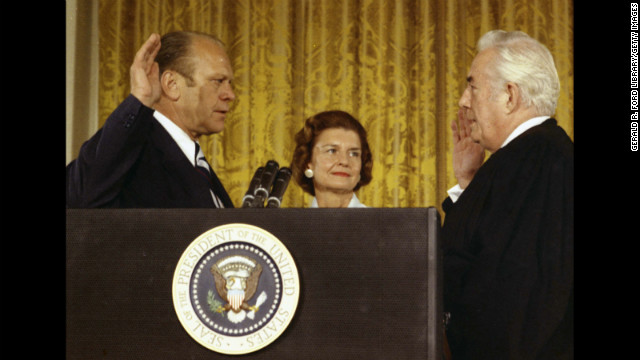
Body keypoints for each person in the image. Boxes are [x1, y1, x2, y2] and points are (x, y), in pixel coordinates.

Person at [441, 30, 573, 359]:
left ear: (510, 96)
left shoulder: (535, 159)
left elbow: (518, 300)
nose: (463, 100)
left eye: (472, 86)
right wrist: (470, 181)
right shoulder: (528, 158)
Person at [66, 31, 236, 208]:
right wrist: (139, 101)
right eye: (218, 81)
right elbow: (81, 197)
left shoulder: (196, 164)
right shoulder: (135, 151)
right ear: (172, 85)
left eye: (229, 83)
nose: (230, 95)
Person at [290, 110, 373, 208]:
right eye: (332, 151)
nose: (344, 161)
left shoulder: (381, 223)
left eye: (353, 154)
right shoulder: (292, 223)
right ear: (308, 161)